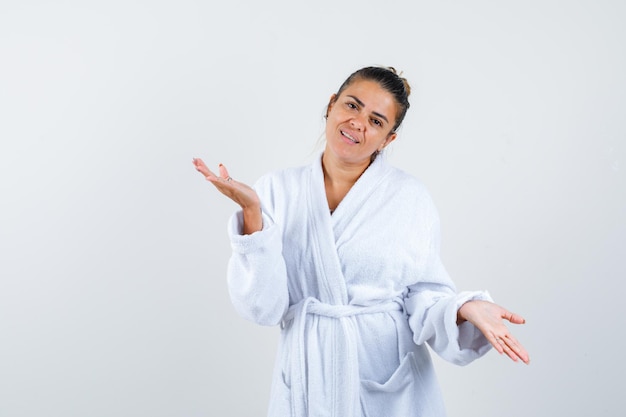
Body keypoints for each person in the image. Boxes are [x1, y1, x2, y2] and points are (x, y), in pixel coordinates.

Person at [193, 66, 529, 417]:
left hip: (387, 382)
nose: (358, 123)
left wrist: (463, 308)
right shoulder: (275, 191)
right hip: (308, 377)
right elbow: (263, 308)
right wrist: (252, 213)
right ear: (332, 104)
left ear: (388, 140)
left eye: (377, 121)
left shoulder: (409, 198)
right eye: (352, 106)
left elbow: (424, 296)